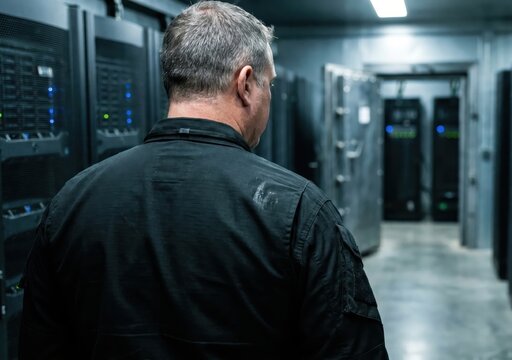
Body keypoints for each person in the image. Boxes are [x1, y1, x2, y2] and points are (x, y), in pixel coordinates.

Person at [19, 1, 387, 359]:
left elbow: (41, 346)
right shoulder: (300, 211)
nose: (269, 97)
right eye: (268, 85)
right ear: (245, 83)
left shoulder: (71, 202)